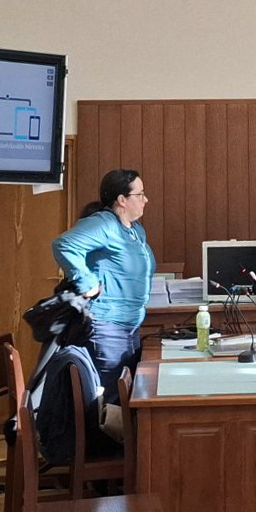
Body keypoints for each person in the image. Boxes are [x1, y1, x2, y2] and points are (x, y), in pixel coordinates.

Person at [52, 169, 155, 405]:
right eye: (140, 194)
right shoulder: (105, 224)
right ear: (122, 200)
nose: (145, 199)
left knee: (126, 397)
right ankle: (105, 432)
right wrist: (87, 282)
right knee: (110, 401)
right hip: (107, 327)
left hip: (129, 326)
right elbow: (64, 244)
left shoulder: (136, 230)